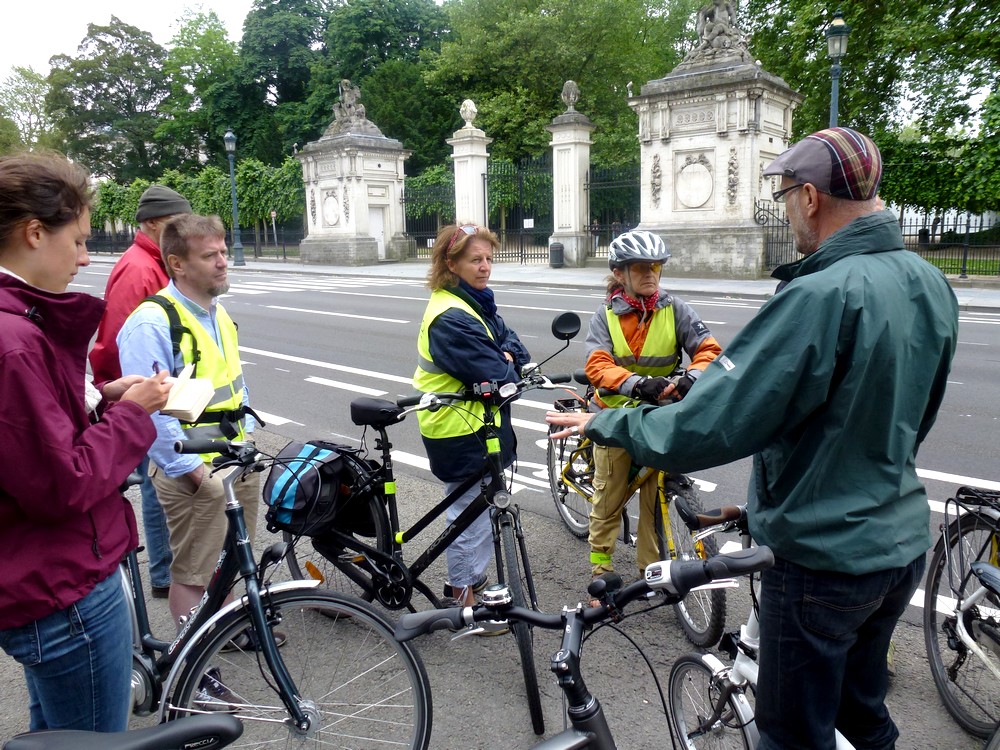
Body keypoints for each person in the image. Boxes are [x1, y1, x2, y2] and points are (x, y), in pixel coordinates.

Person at [547, 127, 959, 750]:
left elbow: (707, 426)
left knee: (791, 733)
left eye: (785, 193)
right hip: (898, 543)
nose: (784, 208)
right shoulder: (929, 282)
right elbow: (911, 421)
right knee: (861, 716)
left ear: (811, 198)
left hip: (821, 556)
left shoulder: (819, 294)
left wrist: (606, 420)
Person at [0, 152, 170, 731]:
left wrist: (100, 398)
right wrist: (134, 413)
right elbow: (60, 484)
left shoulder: (18, 325)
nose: (84, 257)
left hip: (39, 577)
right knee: (93, 740)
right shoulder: (16, 339)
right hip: (62, 584)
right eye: (75, 241)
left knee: (55, 735)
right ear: (33, 233)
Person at [117, 215, 260, 634]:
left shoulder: (216, 312)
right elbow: (150, 413)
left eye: (223, 252)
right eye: (210, 255)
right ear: (177, 263)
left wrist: (245, 442)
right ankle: (194, 668)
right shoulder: (153, 322)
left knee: (233, 555)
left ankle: (224, 636)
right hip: (195, 467)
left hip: (233, 456)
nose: (223, 262)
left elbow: (235, 382)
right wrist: (193, 473)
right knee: (193, 570)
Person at [584, 230, 721, 583]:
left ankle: (650, 571)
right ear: (620, 274)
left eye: (656, 267)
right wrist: (638, 384)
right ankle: (602, 568)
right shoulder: (606, 316)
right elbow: (597, 366)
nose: (650, 274)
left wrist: (692, 376)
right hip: (616, 418)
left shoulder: (675, 309)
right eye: (641, 268)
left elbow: (710, 351)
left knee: (653, 497)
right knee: (609, 499)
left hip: (658, 417)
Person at [412, 224, 530, 606]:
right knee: (468, 517)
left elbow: (517, 350)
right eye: (474, 260)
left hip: (481, 425)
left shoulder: (475, 302)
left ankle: (467, 581)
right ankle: (462, 599)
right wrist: (506, 360)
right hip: (458, 429)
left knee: (480, 513)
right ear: (451, 263)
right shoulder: (451, 316)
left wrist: (506, 356)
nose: (485, 267)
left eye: (488, 259)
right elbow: (501, 373)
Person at [90, 185, 193, 599]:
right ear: (152, 223)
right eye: (174, 222)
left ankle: (166, 571)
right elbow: (122, 338)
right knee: (158, 479)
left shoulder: (151, 261)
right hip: (141, 391)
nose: (182, 230)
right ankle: (165, 574)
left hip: (148, 389)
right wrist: (130, 398)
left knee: (159, 480)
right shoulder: (140, 268)